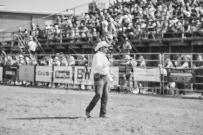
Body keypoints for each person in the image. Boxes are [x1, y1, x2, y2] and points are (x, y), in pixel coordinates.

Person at [85, 41, 113, 118]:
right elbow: (98, 66)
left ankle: (103, 113)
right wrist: (106, 63)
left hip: (104, 76)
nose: (107, 49)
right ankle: (88, 110)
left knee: (105, 96)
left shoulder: (104, 56)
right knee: (99, 94)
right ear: (102, 48)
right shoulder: (97, 56)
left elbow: (106, 69)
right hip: (98, 76)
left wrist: (109, 77)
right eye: (106, 47)